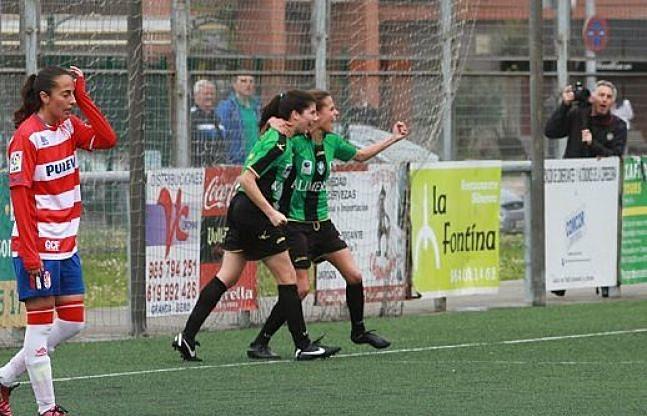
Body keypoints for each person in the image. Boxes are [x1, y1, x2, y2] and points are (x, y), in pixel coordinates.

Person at [172, 90, 341, 362]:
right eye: (311, 113)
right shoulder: (278, 143)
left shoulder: (281, 136)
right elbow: (246, 179)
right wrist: (271, 212)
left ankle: (187, 337)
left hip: (242, 210)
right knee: (289, 279)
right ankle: (303, 344)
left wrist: (275, 121)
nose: (315, 118)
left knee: (226, 277)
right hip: (254, 212)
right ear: (295, 115)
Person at [247, 90, 409, 359]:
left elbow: (359, 155)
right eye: (330, 109)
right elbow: (269, 141)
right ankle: (261, 341)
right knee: (300, 289)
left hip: (323, 225)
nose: (336, 114)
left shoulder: (332, 141)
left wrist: (393, 138)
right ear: (315, 114)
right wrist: (273, 124)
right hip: (295, 225)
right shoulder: (295, 141)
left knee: (354, 276)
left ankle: (358, 331)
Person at [0, 66, 117, 416]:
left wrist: (83, 96)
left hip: (68, 245)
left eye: (73, 93)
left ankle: (4, 378)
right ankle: (47, 408)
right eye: (65, 94)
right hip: (39, 248)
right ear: (44, 97)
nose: (70, 100)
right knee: (39, 328)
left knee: (72, 322)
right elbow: (20, 200)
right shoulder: (26, 137)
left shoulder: (67, 126)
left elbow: (108, 139)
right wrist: (32, 254)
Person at [544, 79, 627, 297]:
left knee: (599, 234)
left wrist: (594, 145)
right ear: (593, 98)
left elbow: (616, 156)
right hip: (571, 186)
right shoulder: (577, 117)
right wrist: (564, 105)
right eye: (601, 95)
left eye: (608, 97)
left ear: (613, 101)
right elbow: (551, 131)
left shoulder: (618, 125)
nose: (604, 100)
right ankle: (560, 278)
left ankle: (604, 279)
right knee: (567, 232)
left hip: (601, 192)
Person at [216, 74, 261, 164]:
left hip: (257, 158)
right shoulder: (227, 107)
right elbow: (221, 134)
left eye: (251, 81)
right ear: (234, 85)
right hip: (237, 160)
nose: (248, 85)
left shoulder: (257, 106)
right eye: (243, 81)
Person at [190, 79, 226, 166]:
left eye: (212, 94)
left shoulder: (217, 118)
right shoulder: (191, 117)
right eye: (206, 94)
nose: (209, 97)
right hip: (196, 166)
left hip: (215, 167)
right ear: (196, 96)